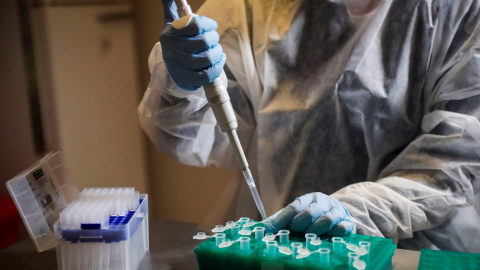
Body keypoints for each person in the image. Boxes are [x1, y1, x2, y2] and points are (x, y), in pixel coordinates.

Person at [138, 0, 480, 253]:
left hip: (418, 248)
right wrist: (181, 87)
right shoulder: (252, 7)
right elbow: (193, 141)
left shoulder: (458, 9)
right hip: (284, 245)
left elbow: (456, 161)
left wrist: (354, 211)